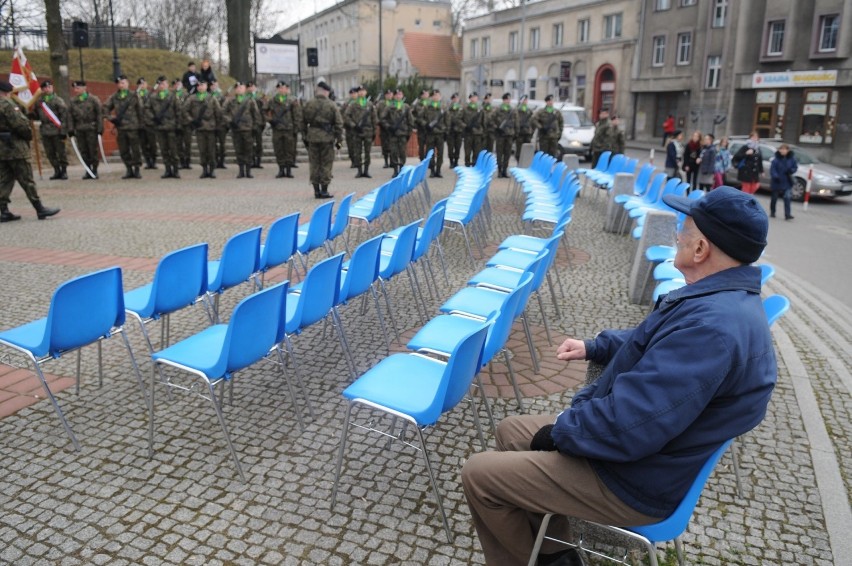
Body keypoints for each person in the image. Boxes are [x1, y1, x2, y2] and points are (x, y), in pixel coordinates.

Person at [462, 186, 777, 566]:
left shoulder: (712, 329)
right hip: (649, 457)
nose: (676, 234)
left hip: (634, 479)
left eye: (684, 227)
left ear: (700, 250)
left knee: (479, 476)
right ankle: (555, 552)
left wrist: (562, 430)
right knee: (511, 430)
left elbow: (630, 425)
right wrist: (597, 346)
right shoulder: (725, 303)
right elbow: (657, 344)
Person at [0, 80, 60, 222]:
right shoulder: (7, 104)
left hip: (2, 149)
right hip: (15, 147)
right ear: (7, 92)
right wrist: (28, 135)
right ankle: (39, 208)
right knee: (27, 179)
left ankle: (3, 210)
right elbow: (20, 124)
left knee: (4, 180)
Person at [302, 81, 343, 199]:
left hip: (313, 138)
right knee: (326, 164)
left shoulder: (309, 104)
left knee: (314, 164)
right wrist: (339, 140)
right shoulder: (331, 105)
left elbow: (302, 122)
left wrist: (305, 137)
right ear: (326, 92)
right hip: (327, 138)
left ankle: (316, 190)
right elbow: (338, 124)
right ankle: (324, 190)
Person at [104, 74, 143, 179]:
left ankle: (137, 169)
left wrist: (141, 126)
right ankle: (129, 169)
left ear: (127, 83)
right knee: (123, 150)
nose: (121, 85)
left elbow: (140, 111)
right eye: (119, 83)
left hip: (133, 127)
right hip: (121, 128)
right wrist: (112, 118)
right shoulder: (114, 97)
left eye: (123, 83)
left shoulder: (134, 96)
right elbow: (105, 108)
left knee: (135, 149)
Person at [31, 79, 69, 180]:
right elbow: (36, 116)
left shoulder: (58, 101)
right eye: (44, 88)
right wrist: (30, 113)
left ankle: (64, 171)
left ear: (52, 88)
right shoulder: (40, 102)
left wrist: (63, 131)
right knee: (50, 153)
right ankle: (57, 170)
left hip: (57, 130)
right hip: (45, 131)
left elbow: (64, 117)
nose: (47, 89)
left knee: (61, 152)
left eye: (49, 87)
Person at [185, 79, 222, 179]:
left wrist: (218, 127)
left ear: (206, 86)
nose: (200, 87)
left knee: (211, 150)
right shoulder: (192, 98)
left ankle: (212, 170)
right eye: (199, 85)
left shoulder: (212, 98)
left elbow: (218, 113)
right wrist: (192, 120)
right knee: (202, 150)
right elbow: (185, 111)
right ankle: (204, 169)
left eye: (203, 85)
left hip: (211, 128)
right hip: (199, 128)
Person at [146, 76, 181, 179]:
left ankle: (175, 170)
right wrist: (153, 118)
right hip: (159, 127)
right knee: (164, 150)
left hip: (171, 127)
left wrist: (178, 126)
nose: (162, 86)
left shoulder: (173, 96)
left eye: (164, 84)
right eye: (160, 84)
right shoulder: (153, 97)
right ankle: (167, 170)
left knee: (173, 150)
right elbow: (147, 109)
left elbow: (178, 111)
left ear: (167, 85)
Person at [224, 81, 261, 179]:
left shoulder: (250, 101)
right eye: (237, 87)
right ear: (235, 90)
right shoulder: (230, 101)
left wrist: (255, 127)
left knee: (248, 150)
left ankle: (248, 171)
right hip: (236, 130)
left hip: (247, 129)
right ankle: (241, 170)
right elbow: (223, 113)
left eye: (241, 87)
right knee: (238, 150)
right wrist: (230, 121)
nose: (239, 89)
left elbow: (256, 114)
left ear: (245, 89)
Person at [266, 81, 302, 179]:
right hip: (277, 129)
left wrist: (296, 128)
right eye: (279, 88)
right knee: (279, 150)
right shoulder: (272, 100)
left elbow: (297, 115)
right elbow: (265, 111)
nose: (281, 90)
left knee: (289, 150)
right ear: (277, 89)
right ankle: (281, 169)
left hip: (289, 129)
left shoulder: (292, 100)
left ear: (287, 89)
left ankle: (289, 170)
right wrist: (270, 120)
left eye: (283, 88)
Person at [67, 80, 102, 180]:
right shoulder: (73, 101)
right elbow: (69, 116)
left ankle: (94, 169)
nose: (76, 90)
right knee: (83, 150)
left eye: (78, 88)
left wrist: (100, 128)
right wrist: (71, 129)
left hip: (91, 129)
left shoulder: (93, 100)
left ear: (84, 88)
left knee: (92, 150)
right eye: (75, 88)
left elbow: (99, 114)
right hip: (79, 129)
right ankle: (88, 169)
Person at [344, 85, 376, 179]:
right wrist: (353, 125)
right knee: (357, 152)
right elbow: (346, 116)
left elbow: (374, 118)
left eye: (363, 91)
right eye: (360, 91)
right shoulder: (353, 104)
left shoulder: (370, 105)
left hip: (368, 131)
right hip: (357, 131)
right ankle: (359, 170)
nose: (361, 93)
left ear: (366, 92)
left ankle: (366, 170)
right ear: (357, 93)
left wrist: (374, 131)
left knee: (367, 152)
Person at [381, 88, 413, 178]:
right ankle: (395, 169)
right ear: (394, 96)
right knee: (394, 152)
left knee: (402, 152)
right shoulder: (389, 107)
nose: (399, 96)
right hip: (393, 134)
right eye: (397, 95)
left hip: (403, 133)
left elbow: (411, 121)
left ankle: (402, 168)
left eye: (400, 94)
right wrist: (388, 127)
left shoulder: (406, 107)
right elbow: (383, 119)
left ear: (402, 96)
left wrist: (408, 132)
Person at [423, 89, 448, 178]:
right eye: (433, 95)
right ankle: (432, 170)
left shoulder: (443, 108)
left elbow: (447, 121)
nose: (435, 97)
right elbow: (422, 118)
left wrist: (444, 129)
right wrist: (426, 125)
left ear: (440, 97)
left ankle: (438, 170)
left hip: (440, 134)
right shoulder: (427, 107)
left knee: (440, 153)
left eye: (437, 95)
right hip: (430, 134)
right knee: (430, 153)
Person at [492, 93, 517, 178]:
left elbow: (516, 122)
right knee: (499, 153)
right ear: (504, 100)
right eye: (507, 99)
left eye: (509, 99)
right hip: (500, 135)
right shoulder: (498, 110)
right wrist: (497, 128)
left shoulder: (512, 110)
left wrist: (516, 133)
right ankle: (499, 170)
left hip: (509, 134)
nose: (508, 101)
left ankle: (505, 170)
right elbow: (491, 120)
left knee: (507, 153)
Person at [769, 143, 797, 220]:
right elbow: (772, 169)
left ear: (788, 150)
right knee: (774, 198)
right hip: (777, 181)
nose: (783, 151)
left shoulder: (791, 159)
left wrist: (791, 170)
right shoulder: (775, 159)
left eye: (785, 149)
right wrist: (775, 176)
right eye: (781, 149)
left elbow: (795, 167)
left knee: (787, 197)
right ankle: (772, 212)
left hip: (787, 181)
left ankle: (787, 214)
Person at [136, 78, 158, 170]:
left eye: (144, 83)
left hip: (150, 123)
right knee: (143, 144)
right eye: (140, 84)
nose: (142, 85)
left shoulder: (151, 95)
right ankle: (148, 161)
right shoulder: (135, 95)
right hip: (140, 123)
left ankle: (153, 160)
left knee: (152, 143)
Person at [461, 92, 484, 167]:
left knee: (476, 152)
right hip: (468, 134)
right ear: (470, 98)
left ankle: (475, 167)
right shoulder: (465, 109)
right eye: (473, 97)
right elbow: (458, 119)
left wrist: (482, 131)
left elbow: (484, 122)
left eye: (476, 97)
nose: (474, 99)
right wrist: (465, 126)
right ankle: (467, 166)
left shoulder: (480, 109)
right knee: (467, 152)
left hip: (477, 134)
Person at [247, 82, 266, 169]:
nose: (251, 88)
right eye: (249, 87)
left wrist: (263, 123)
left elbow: (263, 112)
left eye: (252, 87)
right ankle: (251, 160)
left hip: (258, 124)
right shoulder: (245, 98)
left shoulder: (259, 99)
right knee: (250, 144)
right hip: (248, 124)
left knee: (258, 143)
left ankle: (258, 161)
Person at [209, 80, 228, 169]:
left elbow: (224, 109)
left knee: (222, 143)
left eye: (215, 85)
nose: (214, 87)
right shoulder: (208, 97)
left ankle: (222, 161)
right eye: (212, 85)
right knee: (213, 144)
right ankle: (215, 160)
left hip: (221, 124)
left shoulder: (222, 97)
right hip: (212, 123)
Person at [514, 95, 534, 165]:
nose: (525, 102)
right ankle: (519, 163)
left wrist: (531, 131)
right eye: (524, 100)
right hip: (520, 133)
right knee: (519, 150)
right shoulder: (517, 110)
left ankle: (526, 163)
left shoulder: (529, 111)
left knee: (527, 149)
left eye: (526, 100)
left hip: (527, 133)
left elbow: (533, 122)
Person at [446, 93, 464, 169]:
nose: (456, 100)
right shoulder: (448, 108)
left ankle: (456, 161)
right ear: (452, 99)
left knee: (457, 147)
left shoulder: (461, 108)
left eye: (457, 98)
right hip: (450, 131)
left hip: (459, 131)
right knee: (450, 148)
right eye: (455, 99)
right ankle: (451, 162)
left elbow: (463, 118)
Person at [377, 89, 394, 169]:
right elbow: (376, 114)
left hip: (392, 128)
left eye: (390, 94)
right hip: (383, 127)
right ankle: (386, 162)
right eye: (387, 94)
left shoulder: (394, 103)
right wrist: (379, 122)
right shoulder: (380, 104)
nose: (389, 96)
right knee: (384, 145)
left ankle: (392, 161)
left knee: (392, 145)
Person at [412, 89, 431, 161]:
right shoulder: (417, 104)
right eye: (424, 94)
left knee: (429, 145)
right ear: (421, 95)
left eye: (427, 94)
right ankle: (422, 159)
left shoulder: (431, 103)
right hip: (421, 128)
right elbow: (412, 115)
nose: (426, 95)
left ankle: (428, 160)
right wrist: (416, 123)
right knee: (421, 145)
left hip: (429, 128)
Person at [343, 87, 358, 169]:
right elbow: (343, 114)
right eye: (352, 93)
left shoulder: (360, 102)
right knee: (350, 146)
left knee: (357, 146)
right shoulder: (346, 103)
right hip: (349, 128)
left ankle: (357, 161)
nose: (353, 95)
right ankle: (353, 160)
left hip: (358, 128)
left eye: (355, 93)